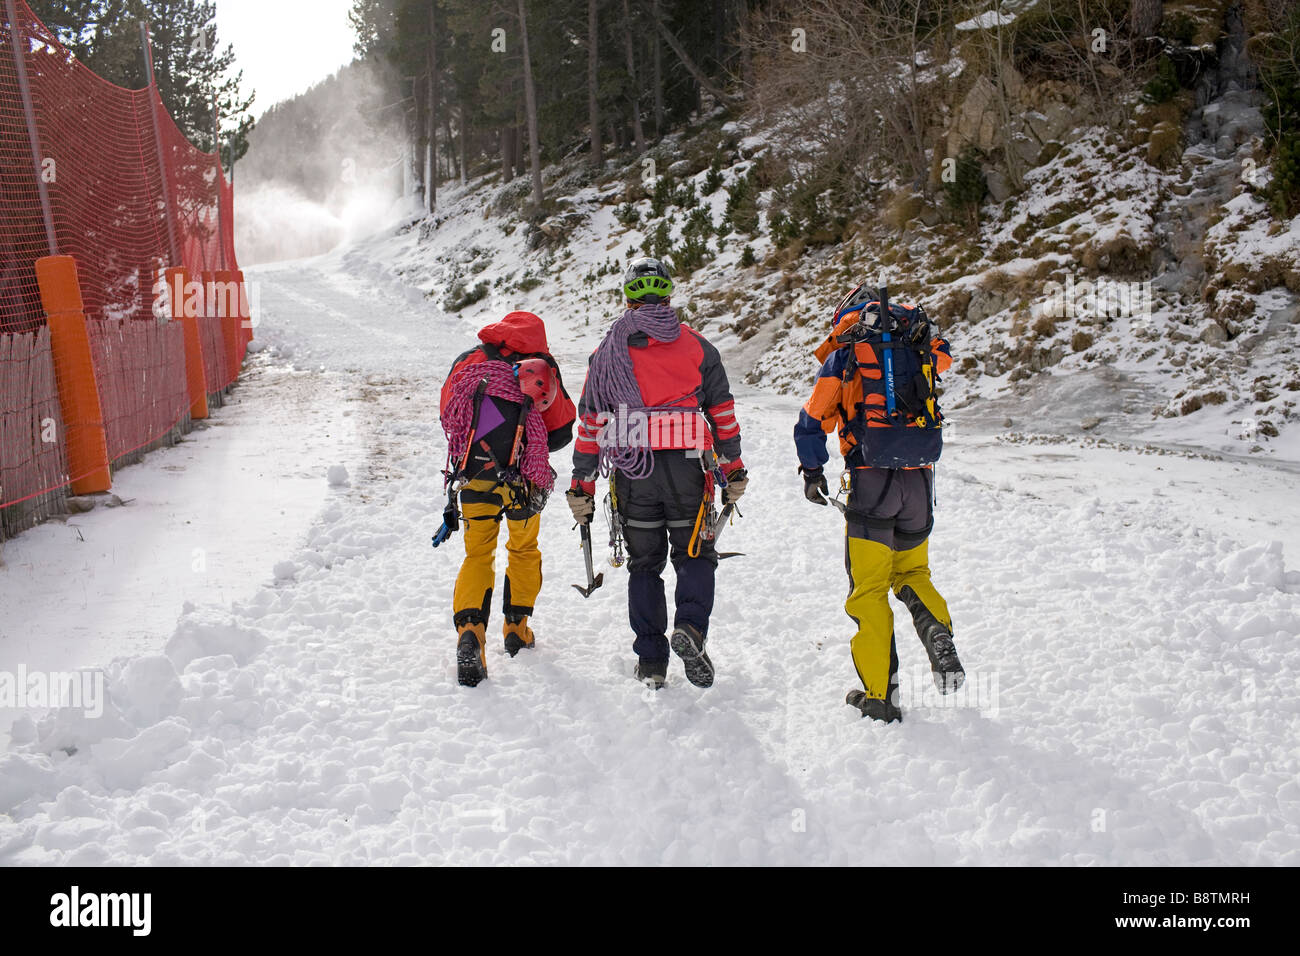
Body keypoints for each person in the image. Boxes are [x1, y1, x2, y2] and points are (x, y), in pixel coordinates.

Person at [566, 258, 747, 690]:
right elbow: (721, 412)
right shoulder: (699, 347)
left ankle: (651, 661)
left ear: (627, 299)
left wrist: (582, 482)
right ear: (669, 296)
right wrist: (733, 466)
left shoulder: (607, 351)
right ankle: (691, 629)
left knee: (645, 565)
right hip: (688, 467)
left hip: (634, 471)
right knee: (695, 556)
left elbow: (591, 422)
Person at [794, 283, 964, 723]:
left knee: (869, 590)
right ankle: (937, 633)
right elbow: (943, 358)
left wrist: (812, 472)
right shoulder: (917, 345)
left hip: (870, 483)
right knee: (913, 572)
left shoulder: (847, 354)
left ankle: (879, 698)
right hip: (920, 481)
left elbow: (812, 418)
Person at [439, 310, 576, 687]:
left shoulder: (470, 361)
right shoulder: (540, 367)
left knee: (478, 553)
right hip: (524, 480)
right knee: (523, 550)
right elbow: (562, 430)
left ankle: (472, 633)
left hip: (474, 473)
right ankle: (517, 628)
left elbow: (449, 414)